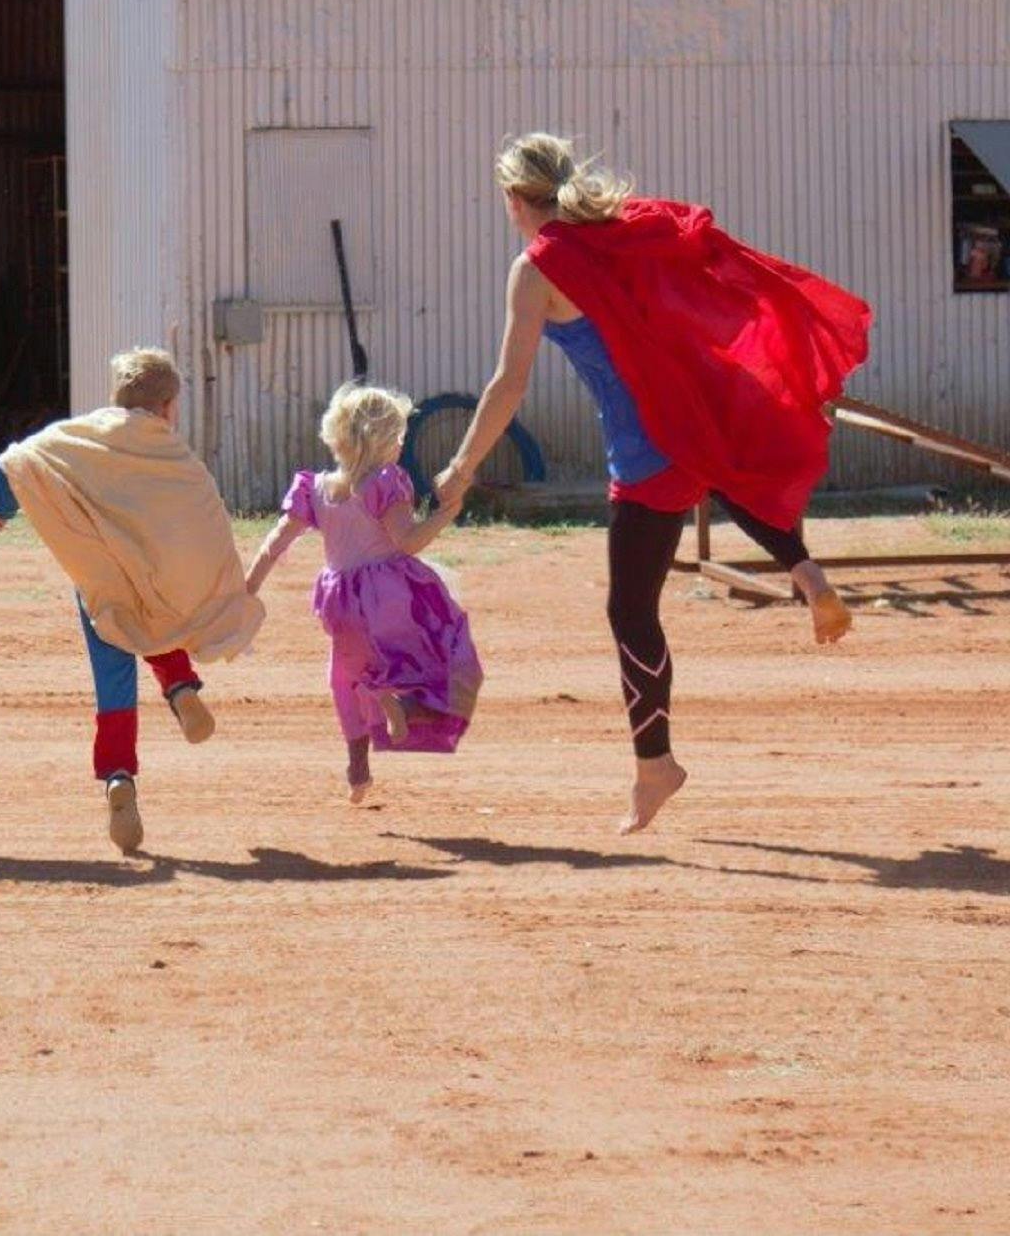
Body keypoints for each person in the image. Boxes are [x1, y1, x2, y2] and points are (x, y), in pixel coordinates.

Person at [434, 132, 871, 833]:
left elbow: (508, 383)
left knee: (630, 612)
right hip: (697, 402)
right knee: (723, 473)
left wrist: (462, 466)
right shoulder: (619, 230)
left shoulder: (538, 266)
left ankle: (655, 766)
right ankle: (806, 571)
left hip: (646, 448)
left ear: (516, 200)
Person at [0, 347, 264, 854]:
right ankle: (180, 687)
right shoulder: (175, 454)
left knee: (111, 635)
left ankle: (119, 776)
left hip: (105, 586)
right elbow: (207, 522)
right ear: (166, 406)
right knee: (155, 609)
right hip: (163, 587)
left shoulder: (84, 434)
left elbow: (20, 462)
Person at [245, 382, 481, 805]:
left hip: (339, 599)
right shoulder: (386, 482)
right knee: (434, 651)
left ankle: (358, 764)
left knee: (343, 675)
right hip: (390, 595)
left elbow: (276, 542)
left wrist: (249, 587)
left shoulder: (316, 488)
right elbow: (406, 541)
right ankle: (395, 698)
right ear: (386, 439)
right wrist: (446, 514)